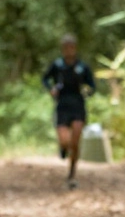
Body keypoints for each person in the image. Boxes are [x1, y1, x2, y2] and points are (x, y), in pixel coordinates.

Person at [42, 33, 97, 189]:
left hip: (78, 104)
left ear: (75, 48)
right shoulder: (58, 65)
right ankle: (63, 148)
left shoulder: (82, 67)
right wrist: (51, 89)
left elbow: (92, 86)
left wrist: (88, 91)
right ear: (62, 49)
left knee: (75, 141)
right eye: (66, 48)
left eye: (71, 47)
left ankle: (72, 173)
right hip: (62, 105)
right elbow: (45, 78)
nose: (69, 50)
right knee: (65, 140)